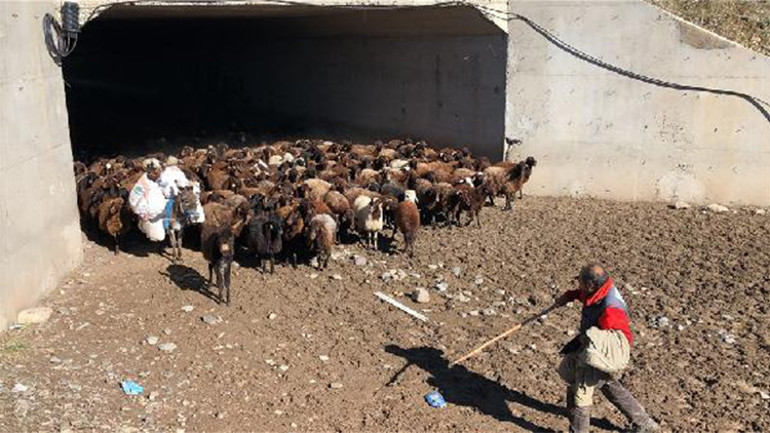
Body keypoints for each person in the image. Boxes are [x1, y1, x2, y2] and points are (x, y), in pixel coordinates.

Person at [554, 264, 660, 433]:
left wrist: (593, 356)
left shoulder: (611, 311)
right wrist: (569, 296)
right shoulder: (599, 289)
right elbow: (586, 297)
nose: (578, 284)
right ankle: (645, 424)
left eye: (580, 282)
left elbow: (612, 339)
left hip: (604, 347)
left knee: (579, 390)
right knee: (608, 383)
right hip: (593, 340)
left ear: (590, 285)